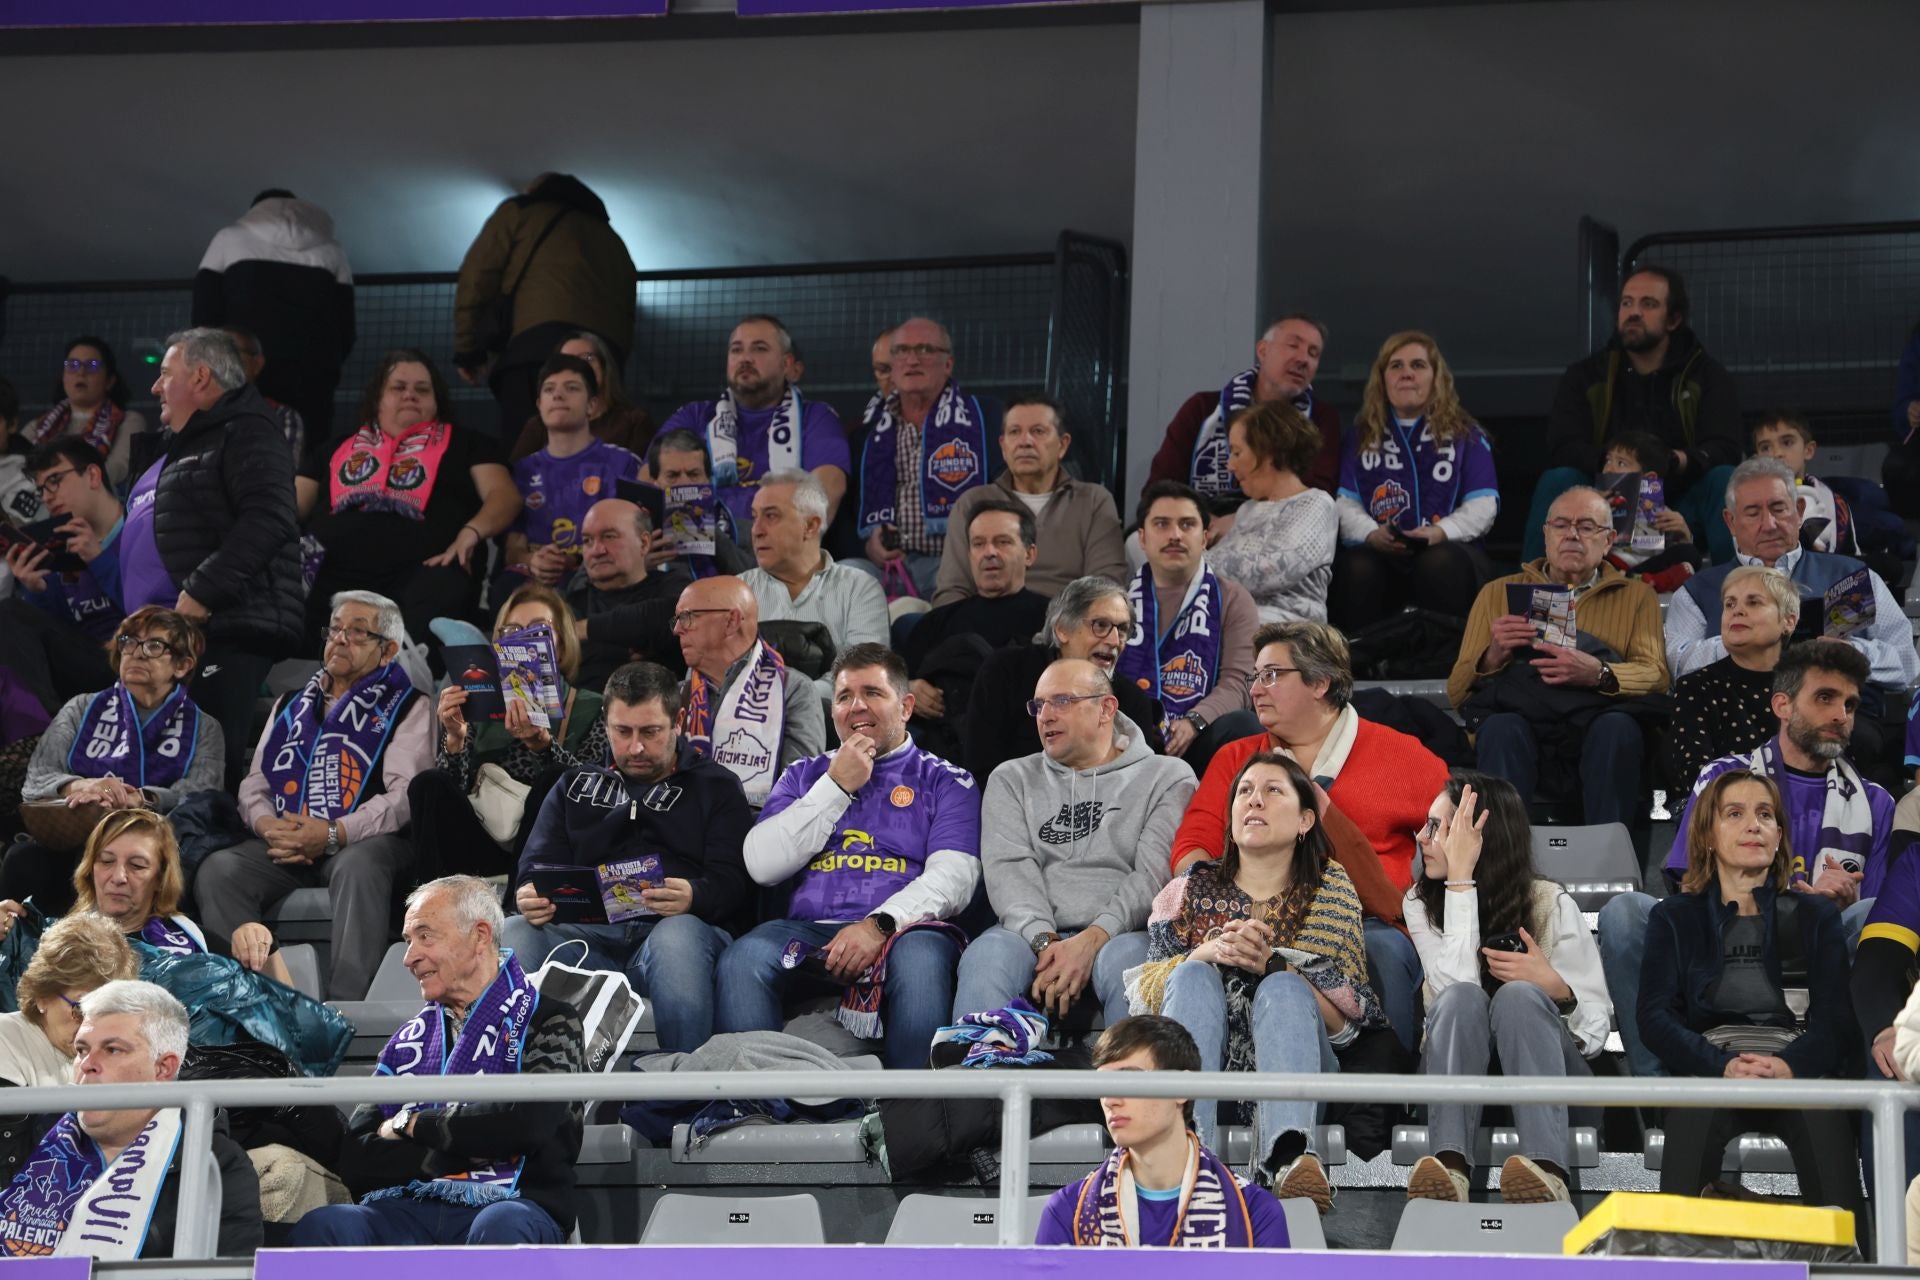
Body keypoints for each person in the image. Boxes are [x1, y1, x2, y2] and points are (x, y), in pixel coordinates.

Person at [1604, 640, 1895, 1078]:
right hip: (1723, 935)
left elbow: (1884, 925)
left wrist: (1828, 914)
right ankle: (1658, 1086)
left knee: (1872, 920)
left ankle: (1849, 1094)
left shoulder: (1876, 802)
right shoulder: (1725, 778)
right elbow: (1691, 889)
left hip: (1817, 957)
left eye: (1850, 704)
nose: (1841, 715)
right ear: (1783, 704)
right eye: (1825, 698)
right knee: (1626, 912)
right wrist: (1779, 904)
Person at [1170, 620, 1445, 1050]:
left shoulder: (1405, 756)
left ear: (1321, 682)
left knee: (1385, 952)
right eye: (1254, 677)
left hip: (1365, 923)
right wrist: (1223, 911)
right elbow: (1193, 848)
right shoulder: (1235, 757)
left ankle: (1380, 1094)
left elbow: (1454, 841)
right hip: (1249, 915)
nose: (1256, 689)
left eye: (1272, 675)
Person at [1131, 752, 1389, 1209]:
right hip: (1202, 1067)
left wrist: (1274, 965)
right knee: (1190, 974)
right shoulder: (1188, 889)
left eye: (1273, 791)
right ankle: (1187, 1155)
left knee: (1284, 985)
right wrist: (1206, 953)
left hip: (1302, 1077)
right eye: (1245, 792)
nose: (1255, 801)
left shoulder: (1330, 890)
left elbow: (1349, 1032)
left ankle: (1292, 1156)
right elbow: (1146, 1000)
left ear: (1306, 819)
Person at [716, 644, 981, 1068]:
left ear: (907, 706)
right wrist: (835, 786)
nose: (856, 706)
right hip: (808, 933)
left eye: (873, 693)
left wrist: (877, 926)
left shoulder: (947, 780)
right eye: (844, 697)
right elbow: (761, 865)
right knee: (742, 959)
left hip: (904, 933)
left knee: (921, 963)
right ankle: (756, 1112)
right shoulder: (804, 775)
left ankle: (911, 1117)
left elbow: (955, 877)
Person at [289, 876, 586, 1247]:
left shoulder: (551, 1020)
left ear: (479, 936)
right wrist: (468, 1148)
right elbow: (356, 1159)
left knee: (503, 1226)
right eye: (408, 941)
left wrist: (409, 1124)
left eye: (425, 936)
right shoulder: (406, 1041)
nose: (409, 957)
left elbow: (527, 1126)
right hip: (406, 1208)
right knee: (327, 1226)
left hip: (513, 1202)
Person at [1638, 770, 1865, 1221]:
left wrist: (1789, 1066)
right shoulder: (1676, 917)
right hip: (1711, 1069)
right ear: (1706, 835)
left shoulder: (1814, 914)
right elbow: (1655, 1015)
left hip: (1795, 1069)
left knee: (1827, 1132)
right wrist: (1718, 1065)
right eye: (1735, 814)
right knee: (1691, 1124)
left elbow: (1836, 1019)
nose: (1753, 826)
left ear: (1780, 835)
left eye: (1765, 815)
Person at [501, 663, 753, 1052]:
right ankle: (514, 1092)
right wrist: (528, 894)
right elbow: (534, 869)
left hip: (672, 935)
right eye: (623, 731)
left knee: (677, 937)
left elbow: (736, 882)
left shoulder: (716, 786)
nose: (635, 747)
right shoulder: (573, 785)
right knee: (516, 931)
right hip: (587, 937)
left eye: (650, 732)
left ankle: (685, 1090)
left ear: (678, 722)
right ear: (606, 724)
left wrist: (695, 895)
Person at [196, 591, 432, 1000]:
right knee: (220, 870)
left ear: (388, 649)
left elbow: (404, 797)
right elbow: (256, 783)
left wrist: (333, 833)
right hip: (287, 841)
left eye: (357, 633)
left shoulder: (410, 706)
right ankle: (260, 999)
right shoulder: (291, 704)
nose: (340, 639)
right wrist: (269, 826)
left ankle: (346, 1007)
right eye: (335, 629)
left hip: (366, 842)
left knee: (359, 866)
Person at [1403, 773, 1608, 1206]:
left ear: (1482, 837)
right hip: (1454, 1092)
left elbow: (1593, 1037)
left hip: (1553, 1093)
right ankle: (1450, 1171)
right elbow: (1454, 990)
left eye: (1439, 827)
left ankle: (1547, 1173)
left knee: (1519, 996)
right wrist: (1461, 882)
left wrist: (1556, 990)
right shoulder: (1422, 903)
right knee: (1461, 998)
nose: (1421, 836)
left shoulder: (1549, 903)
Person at [953, 659, 1193, 1025]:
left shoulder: (1168, 776)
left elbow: (1153, 877)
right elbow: (1010, 872)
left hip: (1124, 931)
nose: (1045, 716)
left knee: (1129, 963)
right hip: (1031, 933)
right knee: (986, 956)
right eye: (1038, 705)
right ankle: (973, 1077)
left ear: (1106, 708)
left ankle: (1129, 1081)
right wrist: (1046, 942)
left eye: (1062, 701)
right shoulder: (1012, 778)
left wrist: (1094, 938)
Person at [131, 327, 307, 788]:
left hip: (233, 627)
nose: (154, 386)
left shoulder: (247, 429)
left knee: (210, 767)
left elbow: (271, 517)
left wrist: (201, 592)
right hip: (197, 630)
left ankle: (206, 853)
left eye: (166, 374)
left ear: (202, 377)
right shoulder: (199, 438)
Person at [1665, 458, 1917, 763]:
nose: (1769, 524)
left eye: (1778, 508)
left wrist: (1848, 652)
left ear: (1798, 512)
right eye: (1753, 512)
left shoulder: (1851, 579)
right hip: (1738, 721)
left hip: (1843, 721)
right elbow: (1680, 666)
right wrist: (1751, 645)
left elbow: (1907, 665)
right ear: (1731, 522)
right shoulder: (1698, 590)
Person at [1448, 486, 1669, 825]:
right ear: (1546, 534)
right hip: (1525, 724)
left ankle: (1610, 864)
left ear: (1609, 540)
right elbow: (1457, 693)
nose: (1572, 535)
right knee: (1501, 728)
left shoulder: (1637, 596)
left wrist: (1600, 673)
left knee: (1617, 728)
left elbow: (1656, 676)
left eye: (1586, 526)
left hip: (1598, 725)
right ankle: (1503, 864)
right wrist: (1493, 656)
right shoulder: (1496, 592)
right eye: (1561, 525)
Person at [0, 979, 262, 1259]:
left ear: (163, 1068)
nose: (87, 1064)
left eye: (112, 1049)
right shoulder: (28, 1133)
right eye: (82, 1049)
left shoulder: (216, 1165)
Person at [2, 607, 226, 914]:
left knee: (171, 864)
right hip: (79, 834)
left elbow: (204, 791)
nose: (137, 653)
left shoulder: (205, 726)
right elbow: (36, 780)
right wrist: (84, 786)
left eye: (154, 646)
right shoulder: (81, 707)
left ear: (183, 665)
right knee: (23, 858)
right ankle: (20, 952)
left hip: (151, 840)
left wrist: (142, 798)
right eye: (129, 642)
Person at [298, 349, 520, 651]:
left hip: (425, 570)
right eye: (398, 387)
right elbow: (288, 504)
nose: (410, 395)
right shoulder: (335, 447)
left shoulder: (468, 443)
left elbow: (504, 496)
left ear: (436, 401)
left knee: (444, 585)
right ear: (378, 398)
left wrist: (472, 532)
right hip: (331, 570)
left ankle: (406, 674)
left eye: (422, 389)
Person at [1530, 265, 1743, 564]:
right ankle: (1534, 592)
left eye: (1648, 304)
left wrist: (1676, 461)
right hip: (1602, 498)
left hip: (1679, 498)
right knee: (1558, 479)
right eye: (1627, 303)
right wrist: (1613, 469)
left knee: (1725, 478)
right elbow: (1562, 445)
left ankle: (1735, 588)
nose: (1633, 312)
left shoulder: (1706, 374)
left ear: (1674, 319)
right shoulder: (1588, 374)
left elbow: (1727, 447)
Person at [1034, 1015, 1291, 1248]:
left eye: (1128, 1079)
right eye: (1102, 1082)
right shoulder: (1066, 1212)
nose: (1110, 1099)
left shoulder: (1256, 1214)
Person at [408, 584, 607, 880]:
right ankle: (429, 905)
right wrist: (455, 739)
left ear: (562, 643)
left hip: (548, 846)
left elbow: (594, 796)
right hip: (484, 836)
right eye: (512, 630)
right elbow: (453, 793)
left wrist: (543, 746)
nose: (524, 639)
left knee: (555, 779)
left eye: (538, 630)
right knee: (428, 783)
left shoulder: (593, 706)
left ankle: (522, 896)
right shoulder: (480, 701)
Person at [1329, 332, 1498, 633]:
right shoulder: (1359, 436)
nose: (1406, 373)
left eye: (1418, 365)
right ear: (1382, 379)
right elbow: (1345, 503)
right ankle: (1365, 664)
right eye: (1395, 366)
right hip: (1381, 552)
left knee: (1438, 563)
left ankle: (1445, 664)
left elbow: (1483, 504)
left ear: (1436, 378)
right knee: (1358, 567)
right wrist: (1370, 533)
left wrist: (1440, 532)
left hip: (1451, 551)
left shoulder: (1466, 434)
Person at [453, 172, 636, 440]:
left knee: (525, 452)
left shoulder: (521, 212)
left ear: (537, 190)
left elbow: (477, 277)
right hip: (602, 362)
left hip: (533, 350)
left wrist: (467, 350)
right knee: (598, 453)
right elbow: (628, 312)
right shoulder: (616, 242)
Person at [192, 189, 355, 459]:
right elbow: (346, 329)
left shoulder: (229, 238)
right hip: (311, 380)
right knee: (308, 460)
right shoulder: (332, 250)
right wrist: (326, 365)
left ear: (255, 210)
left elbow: (204, 315)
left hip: (241, 372)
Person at [660, 314, 851, 537]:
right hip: (698, 544)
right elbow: (649, 478)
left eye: (759, 349)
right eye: (736, 350)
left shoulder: (816, 417)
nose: (745, 358)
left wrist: (783, 544)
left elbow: (828, 487)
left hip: (780, 549)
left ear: (787, 364)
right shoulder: (694, 416)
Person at [963, 577, 1166, 786]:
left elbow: (1140, 787)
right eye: (1100, 625)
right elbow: (982, 772)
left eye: (1122, 629)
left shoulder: (1132, 700)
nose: (1114, 641)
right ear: (1062, 629)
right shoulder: (1006, 672)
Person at [1117, 480, 1260, 777]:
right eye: (1162, 524)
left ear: (1205, 537)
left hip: (1197, 736)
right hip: (1125, 736)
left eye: (1187, 525)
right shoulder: (1115, 600)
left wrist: (1195, 721)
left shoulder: (1232, 598)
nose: (1175, 535)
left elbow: (1240, 682)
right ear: (1141, 538)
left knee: (1243, 726)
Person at [930, 394, 1126, 605]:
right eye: (1015, 432)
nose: (1025, 442)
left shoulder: (1093, 501)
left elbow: (1106, 587)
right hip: (987, 626)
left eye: (1038, 431)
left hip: (1065, 627)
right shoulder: (972, 503)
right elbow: (952, 590)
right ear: (1003, 447)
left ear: (1062, 444)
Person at [852, 317, 996, 597]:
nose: (912, 360)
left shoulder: (985, 418)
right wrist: (868, 545)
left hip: (957, 561)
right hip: (886, 566)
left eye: (925, 350)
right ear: (891, 367)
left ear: (949, 364)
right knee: (845, 574)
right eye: (902, 351)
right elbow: (848, 512)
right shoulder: (866, 432)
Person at [1144, 315, 1342, 511]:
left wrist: (1241, 521)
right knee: (1137, 540)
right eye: (1293, 345)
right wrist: (1201, 523)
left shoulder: (1321, 419)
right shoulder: (1203, 408)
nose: (1303, 359)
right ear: (1263, 351)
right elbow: (1160, 487)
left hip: (1277, 526)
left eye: (1313, 353)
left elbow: (1319, 495)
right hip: (1196, 526)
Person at [0, 915, 139, 1182]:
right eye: (80, 1009)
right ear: (42, 993)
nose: (91, 1026)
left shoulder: (115, 1055)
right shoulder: (5, 1039)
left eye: (105, 1012)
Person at [674, 576, 826, 804]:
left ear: (731, 621)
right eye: (677, 619)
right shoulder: (675, 694)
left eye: (687, 617)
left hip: (761, 826)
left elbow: (800, 786)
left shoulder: (793, 690)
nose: (677, 629)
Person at [0, 439, 126, 714]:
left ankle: (43, 730)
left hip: (133, 656)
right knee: (9, 612)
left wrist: (99, 560)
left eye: (55, 480)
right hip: (87, 666)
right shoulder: (58, 541)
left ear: (93, 475)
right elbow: (53, 641)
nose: (47, 496)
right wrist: (38, 589)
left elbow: (154, 609)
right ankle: (40, 728)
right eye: (41, 488)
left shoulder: (140, 524)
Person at [740, 469, 889, 699]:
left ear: (810, 526)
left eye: (771, 516)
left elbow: (862, 674)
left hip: (835, 729)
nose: (756, 530)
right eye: (754, 517)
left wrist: (782, 696)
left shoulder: (859, 589)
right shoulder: (737, 591)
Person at [900, 500, 1050, 728]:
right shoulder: (937, 622)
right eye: (979, 544)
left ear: (1029, 554)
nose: (989, 552)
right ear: (969, 555)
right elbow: (892, 683)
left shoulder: (1053, 620)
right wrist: (908, 688)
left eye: (1003, 542)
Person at [501, 353, 643, 591]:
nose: (557, 395)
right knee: (506, 588)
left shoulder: (623, 463)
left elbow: (637, 539)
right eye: (549, 389)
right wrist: (533, 561)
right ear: (539, 404)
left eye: (572, 388)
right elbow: (513, 549)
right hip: (536, 577)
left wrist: (579, 560)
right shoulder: (521, 471)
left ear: (592, 405)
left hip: (597, 576)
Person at [1663, 565, 1798, 792]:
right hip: (1723, 812)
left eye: (1753, 602)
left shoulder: (1808, 685)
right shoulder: (1696, 687)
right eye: (1730, 604)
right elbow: (1697, 777)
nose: (1737, 611)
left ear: (1788, 621)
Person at [1205, 401, 1337, 624]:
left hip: (1287, 634)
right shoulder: (1247, 509)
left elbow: (1274, 569)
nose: (1230, 465)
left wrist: (1190, 565)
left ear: (1267, 451)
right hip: (1231, 623)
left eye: (1237, 453)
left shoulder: (1315, 503)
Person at [568, 496, 689, 688]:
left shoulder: (675, 586)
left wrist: (577, 630)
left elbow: (669, 617)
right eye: (587, 540)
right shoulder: (568, 603)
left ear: (644, 543)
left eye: (609, 536)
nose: (597, 550)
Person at [507, 330, 654, 464]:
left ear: (604, 366)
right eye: (566, 359)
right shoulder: (538, 425)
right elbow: (512, 481)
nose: (577, 367)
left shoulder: (634, 420)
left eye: (587, 358)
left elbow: (646, 480)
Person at [23, 337, 147, 490]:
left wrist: (64, 489)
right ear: (63, 377)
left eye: (92, 366)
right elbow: (17, 472)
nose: (81, 372)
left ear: (110, 381)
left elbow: (117, 469)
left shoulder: (129, 421)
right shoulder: (38, 427)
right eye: (72, 365)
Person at [1596, 429, 1704, 592]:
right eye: (1608, 460)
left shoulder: (1661, 512)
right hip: (1610, 564)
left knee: (1690, 553)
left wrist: (1684, 536)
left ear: (1649, 478)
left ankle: (1637, 581)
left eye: (1621, 463)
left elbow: (1674, 551)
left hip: (1646, 569)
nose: (1608, 469)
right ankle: (1638, 582)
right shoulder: (1593, 503)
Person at [1753, 411, 1857, 555]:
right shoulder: (1748, 504)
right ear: (1757, 458)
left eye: (1787, 442)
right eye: (1766, 448)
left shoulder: (1836, 504)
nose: (1777, 453)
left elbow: (1850, 561)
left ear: (1808, 450)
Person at [221, 326, 308, 459]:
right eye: (213, 356)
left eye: (233, 353)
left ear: (257, 363)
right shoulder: (193, 411)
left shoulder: (280, 416)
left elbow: (279, 473)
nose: (223, 363)